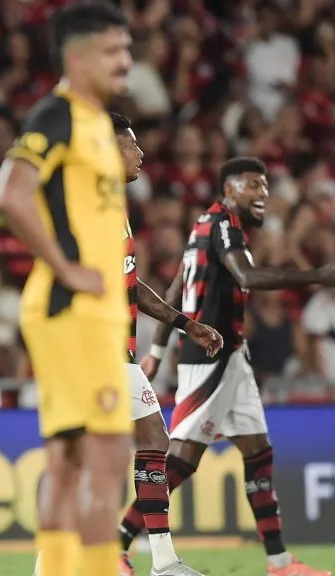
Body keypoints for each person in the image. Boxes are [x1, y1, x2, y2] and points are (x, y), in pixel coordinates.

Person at [31, 113, 224, 576]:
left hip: (115, 350)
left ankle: (162, 561)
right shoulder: (82, 203)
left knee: (148, 440)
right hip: (87, 347)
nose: (141, 153)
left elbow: (130, 284)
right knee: (82, 459)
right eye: (131, 145)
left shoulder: (112, 205)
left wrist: (186, 324)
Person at [131, 157, 333, 576]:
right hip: (211, 357)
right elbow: (247, 277)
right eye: (253, 185)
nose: (263, 193)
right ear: (229, 189)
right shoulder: (223, 223)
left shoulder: (205, 225)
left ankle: (279, 562)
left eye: (265, 186)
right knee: (180, 460)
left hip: (230, 355)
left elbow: (178, 284)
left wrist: (159, 348)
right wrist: (318, 275)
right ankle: (119, 542)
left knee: (258, 452)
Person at [0, 3, 134, 575]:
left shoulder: (97, 123)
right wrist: (67, 269)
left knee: (69, 460)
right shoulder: (60, 115)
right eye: (112, 51)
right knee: (107, 455)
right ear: (78, 59)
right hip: (75, 310)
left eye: (126, 49)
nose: (125, 61)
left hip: (80, 314)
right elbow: (11, 192)